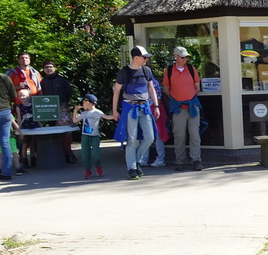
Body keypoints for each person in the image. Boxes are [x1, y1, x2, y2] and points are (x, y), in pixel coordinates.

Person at [112, 46, 159, 180]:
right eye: (144, 57)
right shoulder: (124, 72)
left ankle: (137, 160)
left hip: (145, 107)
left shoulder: (146, 70)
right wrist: (114, 111)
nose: (146, 59)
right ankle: (132, 168)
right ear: (136, 57)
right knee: (132, 140)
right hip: (130, 107)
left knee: (150, 137)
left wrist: (156, 106)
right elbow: (116, 92)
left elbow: (151, 88)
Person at [162, 46, 203, 172]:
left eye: (186, 57)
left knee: (195, 135)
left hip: (192, 106)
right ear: (175, 56)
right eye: (182, 57)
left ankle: (196, 160)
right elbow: (166, 90)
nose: (185, 59)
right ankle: (179, 161)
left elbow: (197, 88)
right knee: (179, 136)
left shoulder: (191, 69)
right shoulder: (168, 71)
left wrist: (190, 99)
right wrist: (176, 100)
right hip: (178, 108)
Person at [40, 60, 76, 163]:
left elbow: (69, 93)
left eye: (50, 67)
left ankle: (69, 154)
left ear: (54, 68)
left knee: (66, 133)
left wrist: (63, 104)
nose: (49, 69)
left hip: (62, 110)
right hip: (49, 111)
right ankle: (59, 155)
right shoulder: (43, 82)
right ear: (44, 69)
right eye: (46, 67)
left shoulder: (62, 80)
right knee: (54, 133)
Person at [72, 94, 114, 179]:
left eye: (83, 102)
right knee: (85, 154)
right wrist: (75, 111)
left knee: (96, 153)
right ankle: (88, 170)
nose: (82, 104)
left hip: (95, 136)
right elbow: (75, 120)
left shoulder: (97, 112)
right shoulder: (84, 113)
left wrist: (115, 116)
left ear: (88, 102)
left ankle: (98, 167)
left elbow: (106, 116)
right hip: (85, 136)